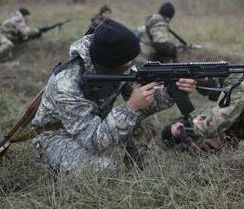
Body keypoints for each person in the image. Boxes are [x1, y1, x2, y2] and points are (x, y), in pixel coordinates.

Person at [32, 19, 196, 173]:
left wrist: (172, 92)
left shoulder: (117, 66)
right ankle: (49, 160)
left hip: (91, 126)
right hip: (56, 136)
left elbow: (144, 101)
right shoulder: (67, 84)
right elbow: (92, 140)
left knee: (139, 124)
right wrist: (130, 108)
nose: (133, 65)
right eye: (129, 62)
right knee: (104, 170)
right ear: (114, 63)